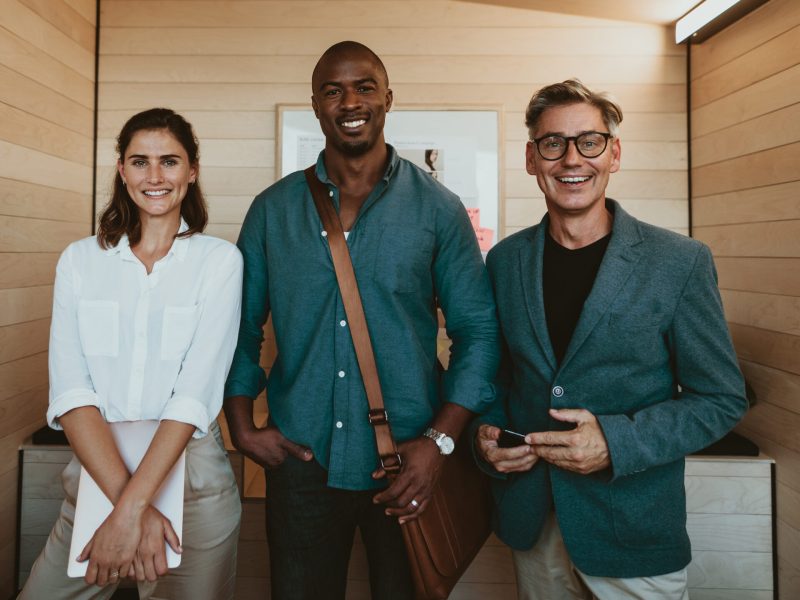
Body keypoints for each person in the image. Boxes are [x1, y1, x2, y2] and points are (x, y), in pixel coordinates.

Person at [223, 41, 499, 599]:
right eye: (333, 89)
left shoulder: (439, 210)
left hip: (407, 464)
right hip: (301, 464)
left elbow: (479, 333)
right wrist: (241, 428)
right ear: (316, 105)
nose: (350, 100)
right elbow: (239, 331)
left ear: (388, 98)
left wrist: (439, 444)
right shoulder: (271, 211)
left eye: (364, 86)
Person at [475, 79, 748, 599]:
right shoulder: (505, 262)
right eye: (553, 143)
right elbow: (499, 381)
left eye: (589, 141)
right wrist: (484, 438)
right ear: (532, 159)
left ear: (614, 153)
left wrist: (614, 443)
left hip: (634, 531)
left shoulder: (680, 262)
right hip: (533, 526)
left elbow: (721, 399)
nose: (571, 158)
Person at [19, 108, 243, 600]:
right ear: (122, 170)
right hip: (98, 471)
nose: (155, 176)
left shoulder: (219, 262)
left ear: (192, 170)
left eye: (170, 161)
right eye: (140, 162)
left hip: (194, 486)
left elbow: (194, 396)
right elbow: (72, 392)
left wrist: (128, 512)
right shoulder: (81, 260)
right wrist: (128, 508)